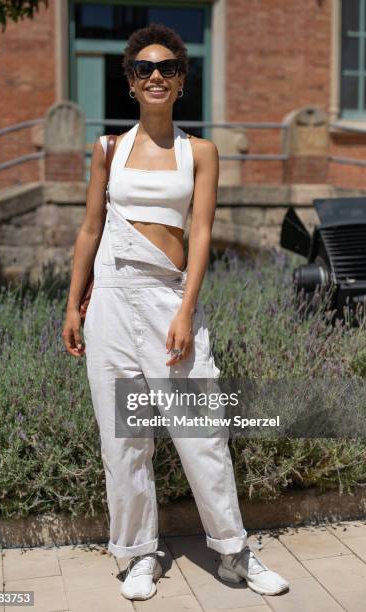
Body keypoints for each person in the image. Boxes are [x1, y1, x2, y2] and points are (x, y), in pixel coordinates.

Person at [62, 22, 289, 602]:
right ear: (131, 83)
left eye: (167, 68)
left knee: (201, 433)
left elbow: (204, 233)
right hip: (110, 299)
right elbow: (89, 229)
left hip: (169, 299)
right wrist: (73, 303)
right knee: (124, 438)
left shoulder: (201, 152)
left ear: (182, 81)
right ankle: (138, 554)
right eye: (144, 69)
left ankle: (234, 550)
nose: (156, 76)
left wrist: (186, 311)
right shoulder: (107, 149)